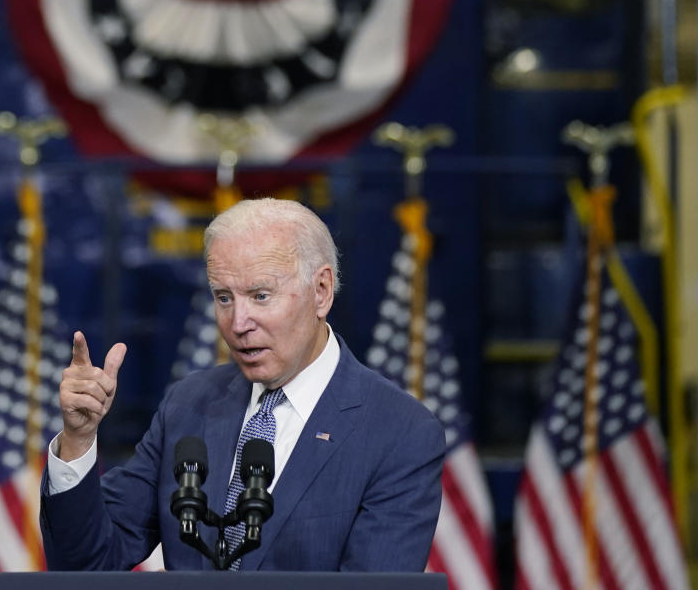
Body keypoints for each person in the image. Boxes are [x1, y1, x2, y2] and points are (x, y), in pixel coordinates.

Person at [40, 198, 445, 571]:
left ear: (321, 292)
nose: (238, 323)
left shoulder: (399, 431)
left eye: (261, 295)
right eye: (224, 297)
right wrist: (78, 438)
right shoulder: (189, 403)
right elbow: (88, 565)